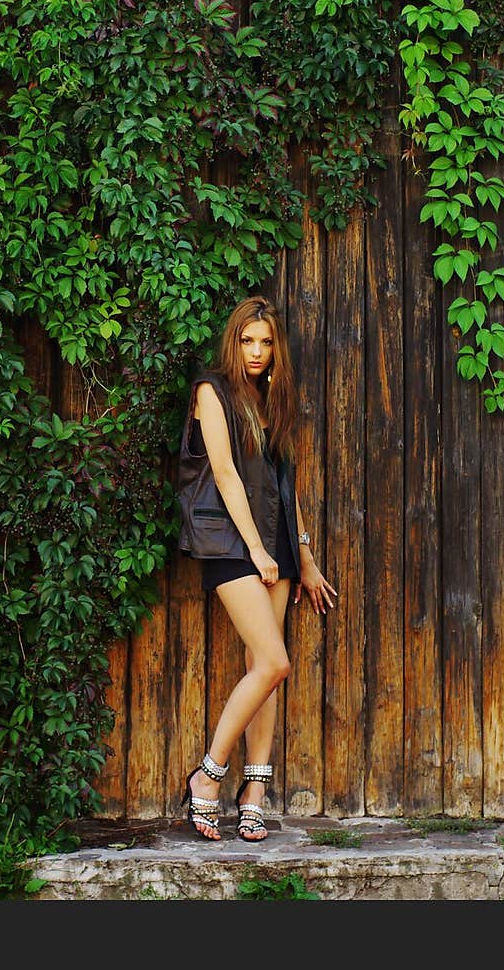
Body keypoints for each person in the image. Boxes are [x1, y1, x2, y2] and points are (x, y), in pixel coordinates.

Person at [176, 295, 336, 841]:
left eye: (266, 342)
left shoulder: (272, 400)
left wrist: (304, 557)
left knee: (261, 671)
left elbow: (285, 485)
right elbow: (223, 471)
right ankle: (209, 774)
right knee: (274, 663)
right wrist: (258, 550)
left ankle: (255, 789)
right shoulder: (211, 389)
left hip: (277, 547)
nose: (257, 351)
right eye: (248, 340)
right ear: (233, 340)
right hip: (229, 543)